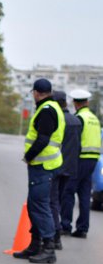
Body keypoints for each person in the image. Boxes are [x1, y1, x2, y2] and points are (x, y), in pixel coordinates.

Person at [13, 78, 64, 264]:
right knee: (35, 204)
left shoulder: (47, 110)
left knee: (41, 206)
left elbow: (42, 139)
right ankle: (35, 245)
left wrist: (28, 156)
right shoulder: (52, 107)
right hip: (44, 166)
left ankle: (49, 247)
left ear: (36, 93)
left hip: (43, 166)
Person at [60, 89, 101, 238]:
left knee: (68, 192)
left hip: (80, 159)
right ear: (87, 102)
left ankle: (65, 225)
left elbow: (75, 142)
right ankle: (82, 229)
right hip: (93, 160)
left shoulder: (79, 118)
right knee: (84, 194)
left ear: (75, 103)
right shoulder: (94, 118)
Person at [49, 90, 81, 250]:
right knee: (63, 200)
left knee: (52, 202)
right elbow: (77, 147)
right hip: (70, 168)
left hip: (56, 166)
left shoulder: (57, 118)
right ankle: (63, 226)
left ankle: (55, 237)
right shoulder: (76, 121)